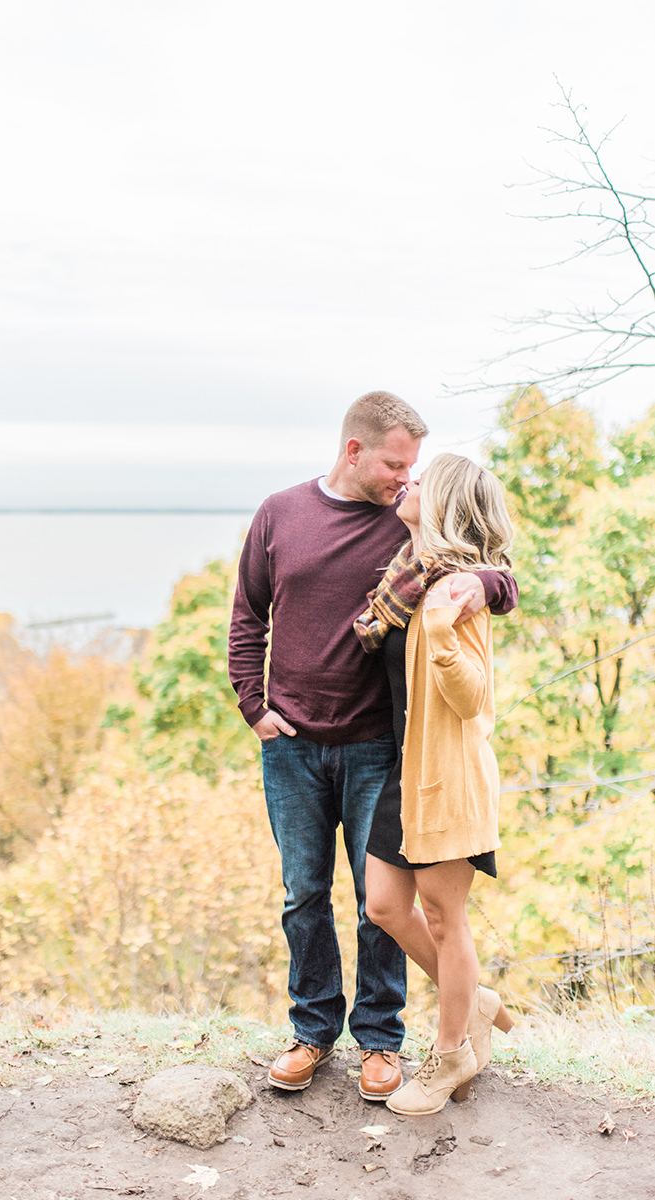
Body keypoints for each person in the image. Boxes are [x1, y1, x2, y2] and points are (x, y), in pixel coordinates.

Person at [228, 391, 518, 1099]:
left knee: (375, 903)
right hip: (291, 744)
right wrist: (253, 706)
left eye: (413, 468)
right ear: (353, 450)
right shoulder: (280, 513)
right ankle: (311, 1031)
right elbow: (247, 612)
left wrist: (482, 585)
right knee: (303, 896)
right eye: (395, 463)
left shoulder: (406, 534)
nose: (403, 478)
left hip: (378, 751)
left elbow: (488, 565)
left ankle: (380, 1042)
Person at [362, 453, 515, 1115]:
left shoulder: (455, 593)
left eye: (422, 481)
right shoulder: (413, 577)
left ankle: (452, 1051)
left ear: (445, 503)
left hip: (447, 780)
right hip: (406, 772)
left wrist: (443, 636)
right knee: (384, 908)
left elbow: (472, 698)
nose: (408, 484)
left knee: (446, 923)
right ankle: (474, 999)